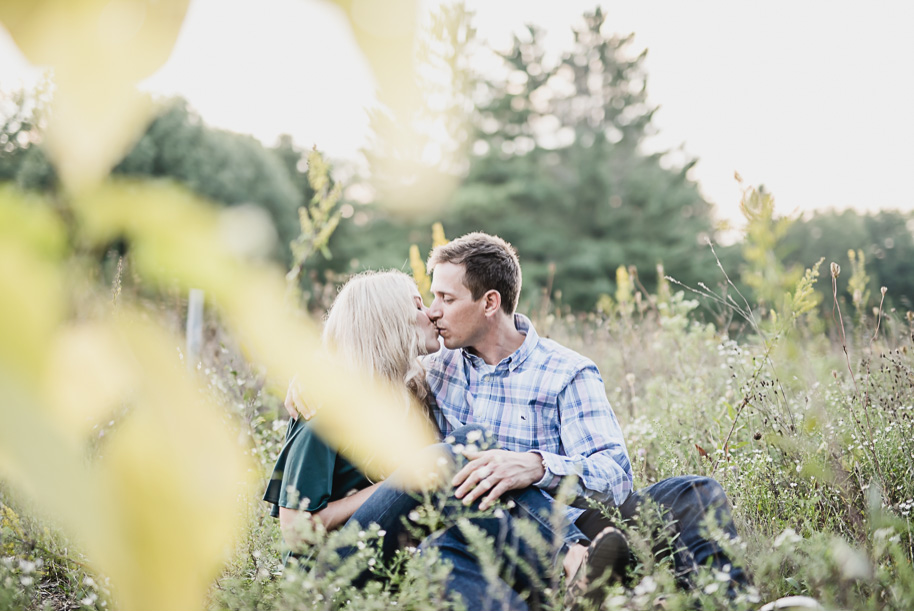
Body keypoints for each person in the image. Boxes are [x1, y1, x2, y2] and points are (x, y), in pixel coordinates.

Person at [340, 232, 749, 609]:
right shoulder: (435, 367)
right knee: (444, 547)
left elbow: (615, 474)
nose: (433, 312)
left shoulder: (566, 371)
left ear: (489, 303)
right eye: (433, 298)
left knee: (695, 492)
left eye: (446, 299)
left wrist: (536, 466)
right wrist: (304, 382)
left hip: (584, 522)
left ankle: (728, 603)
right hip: (500, 536)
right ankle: (576, 574)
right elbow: (367, 348)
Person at [262, 270, 441, 548]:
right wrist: (398, 485)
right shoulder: (321, 409)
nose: (431, 313)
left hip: (394, 565)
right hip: (330, 575)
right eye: (417, 305)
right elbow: (296, 530)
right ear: (387, 321)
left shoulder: (413, 393)